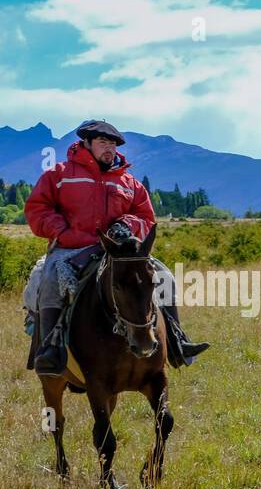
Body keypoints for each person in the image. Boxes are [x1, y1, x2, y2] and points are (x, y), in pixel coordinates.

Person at [24, 119, 208, 375]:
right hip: (72, 247)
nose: (109, 148)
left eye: (113, 143)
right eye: (102, 142)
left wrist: (127, 225)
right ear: (85, 143)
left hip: (120, 252)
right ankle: (50, 349)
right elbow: (37, 209)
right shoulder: (58, 174)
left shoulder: (129, 182)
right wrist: (62, 231)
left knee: (165, 276)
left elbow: (146, 217)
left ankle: (177, 341)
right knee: (51, 280)